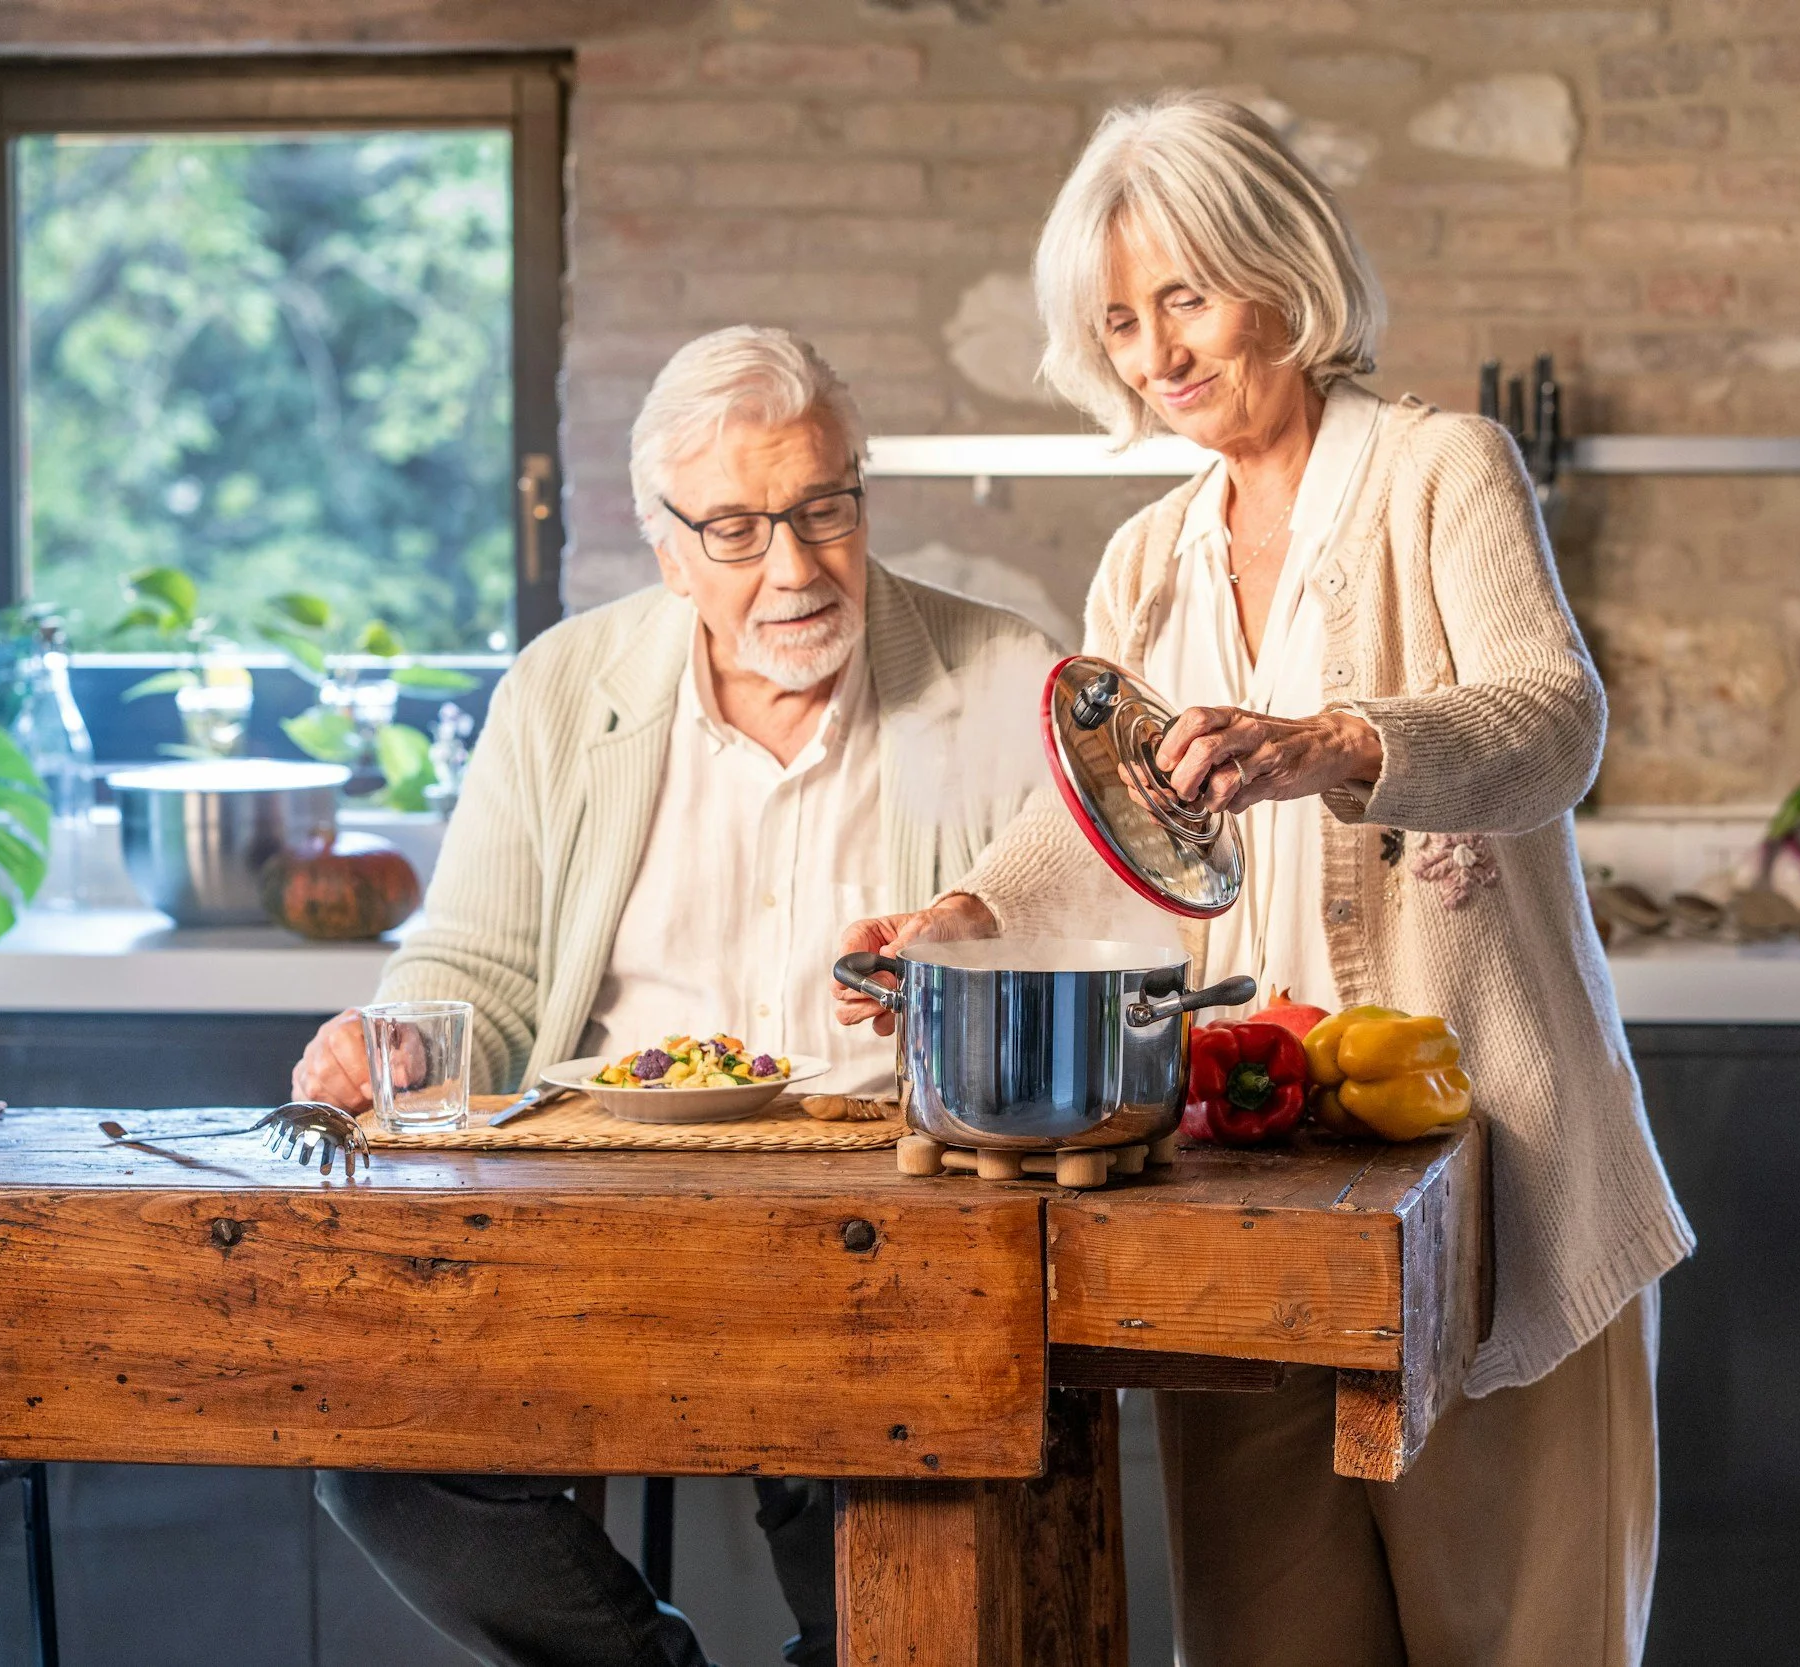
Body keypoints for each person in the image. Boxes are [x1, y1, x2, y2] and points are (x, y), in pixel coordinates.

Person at [836, 95, 1694, 1667]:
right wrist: (965, 918)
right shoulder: (1148, 558)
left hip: (1487, 1192)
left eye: (1183, 297)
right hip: (1244, 1203)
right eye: (1119, 320)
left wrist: (1331, 741)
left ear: (1280, 274)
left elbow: (1552, 722)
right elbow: (1110, 831)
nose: (1154, 349)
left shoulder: (1446, 469)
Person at [293, 324, 1052, 1667]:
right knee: (381, 1453)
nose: (798, 566)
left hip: (883, 1235)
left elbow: (1093, 926)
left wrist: (982, 943)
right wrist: (393, 1034)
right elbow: (474, 965)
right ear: (666, 544)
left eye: (825, 508)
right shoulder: (561, 689)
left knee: (896, 1529)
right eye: (741, 527)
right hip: (591, 1232)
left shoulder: (1001, 678)